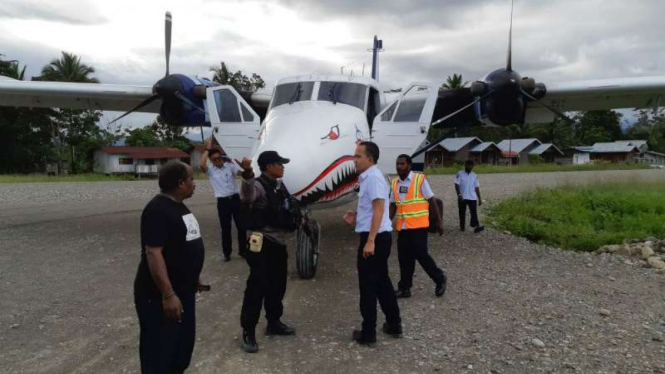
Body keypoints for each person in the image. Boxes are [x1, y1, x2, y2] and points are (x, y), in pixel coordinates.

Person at [133, 161, 208, 374]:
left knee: (180, 349)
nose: (195, 184)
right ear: (180, 183)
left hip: (183, 291)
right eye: (192, 179)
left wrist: (194, 276)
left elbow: (183, 245)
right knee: (159, 352)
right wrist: (167, 294)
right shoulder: (157, 210)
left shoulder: (178, 206)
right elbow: (153, 253)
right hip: (161, 296)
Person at [235, 151, 298, 353]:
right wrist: (247, 174)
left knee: (278, 286)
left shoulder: (279, 185)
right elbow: (247, 195)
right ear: (269, 166)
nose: (283, 167)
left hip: (278, 243)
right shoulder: (258, 185)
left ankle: (273, 322)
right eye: (280, 163)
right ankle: (248, 332)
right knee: (256, 288)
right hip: (262, 245)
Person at [344, 141, 402, 346]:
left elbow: (379, 209)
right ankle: (394, 324)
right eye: (355, 155)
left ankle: (369, 333)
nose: (355, 159)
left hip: (374, 238)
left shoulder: (374, 178)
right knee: (381, 282)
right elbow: (375, 210)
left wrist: (370, 241)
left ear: (370, 159)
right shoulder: (369, 177)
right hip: (378, 235)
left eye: (358, 156)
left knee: (368, 286)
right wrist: (357, 214)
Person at [389, 154, 447, 299]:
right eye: (397, 164)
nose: (399, 167)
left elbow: (432, 200)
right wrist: (386, 223)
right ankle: (405, 288)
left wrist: (439, 221)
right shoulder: (395, 182)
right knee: (404, 258)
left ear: (409, 165)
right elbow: (393, 205)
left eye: (402, 164)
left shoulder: (419, 180)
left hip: (419, 227)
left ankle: (440, 279)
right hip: (403, 228)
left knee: (421, 255)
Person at [200, 137, 247, 262]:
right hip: (223, 202)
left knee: (241, 226)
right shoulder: (210, 171)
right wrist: (207, 148)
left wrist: (242, 166)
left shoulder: (229, 166)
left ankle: (243, 251)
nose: (218, 160)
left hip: (235, 199)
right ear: (211, 160)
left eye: (219, 157)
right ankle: (227, 253)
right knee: (225, 229)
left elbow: (242, 172)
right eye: (215, 159)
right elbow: (202, 164)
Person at [455, 160, 484, 233]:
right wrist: (459, 194)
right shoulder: (460, 173)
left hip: (472, 197)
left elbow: (477, 187)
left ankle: (476, 226)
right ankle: (462, 227)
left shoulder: (474, 175)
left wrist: (479, 198)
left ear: (473, 166)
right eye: (468, 165)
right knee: (462, 213)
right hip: (462, 197)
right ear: (465, 165)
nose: (470, 167)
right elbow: (456, 185)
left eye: (471, 165)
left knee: (474, 212)